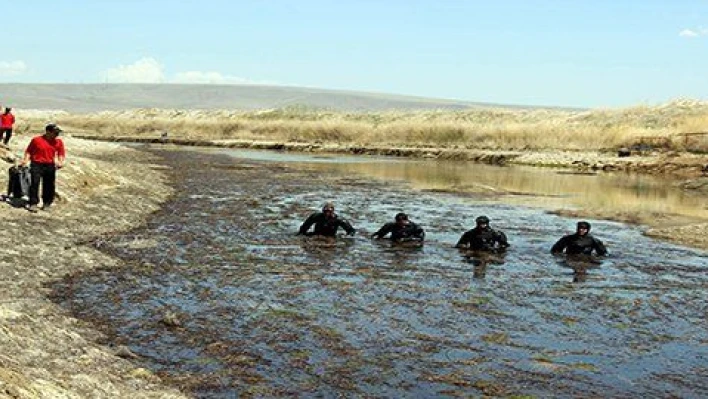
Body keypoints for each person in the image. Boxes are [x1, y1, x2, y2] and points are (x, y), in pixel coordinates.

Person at [20, 123, 66, 212]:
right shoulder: (36, 140)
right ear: (48, 132)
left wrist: (60, 162)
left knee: (49, 185)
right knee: (35, 183)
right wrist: (25, 160)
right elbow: (29, 151)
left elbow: (61, 153)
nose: (57, 135)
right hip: (36, 164)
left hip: (50, 165)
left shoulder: (58, 142)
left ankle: (47, 203)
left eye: (57, 133)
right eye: (55, 133)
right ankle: (33, 203)